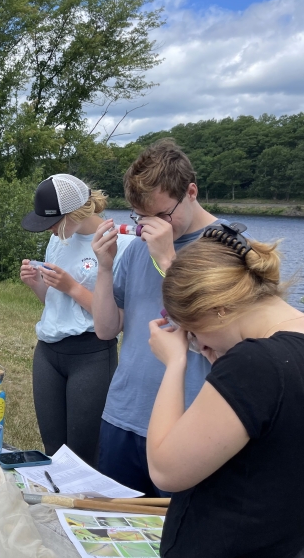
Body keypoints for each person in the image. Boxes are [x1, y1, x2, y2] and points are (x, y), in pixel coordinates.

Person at [146, 222, 304, 557]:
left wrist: (175, 364)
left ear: (217, 308)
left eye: (193, 332)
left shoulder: (256, 364)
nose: (198, 343)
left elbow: (165, 470)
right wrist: (224, 369)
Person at [91, 138, 219, 497]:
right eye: (143, 217)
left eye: (163, 215)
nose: (153, 226)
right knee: (115, 536)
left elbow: (220, 331)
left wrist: (168, 260)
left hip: (189, 425)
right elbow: (105, 329)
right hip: (124, 415)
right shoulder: (136, 249)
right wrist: (104, 266)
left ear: (191, 191)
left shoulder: (228, 247)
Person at [19, 174, 131, 465]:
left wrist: (72, 286)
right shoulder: (58, 240)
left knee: (83, 456)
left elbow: (115, 320)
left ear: (76, 213)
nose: (51, 230)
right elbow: (54, 303)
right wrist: (36, 284)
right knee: (53, 452)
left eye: (54, 222)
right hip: (48, 351)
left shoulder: (117, 244)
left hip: (90, 354)